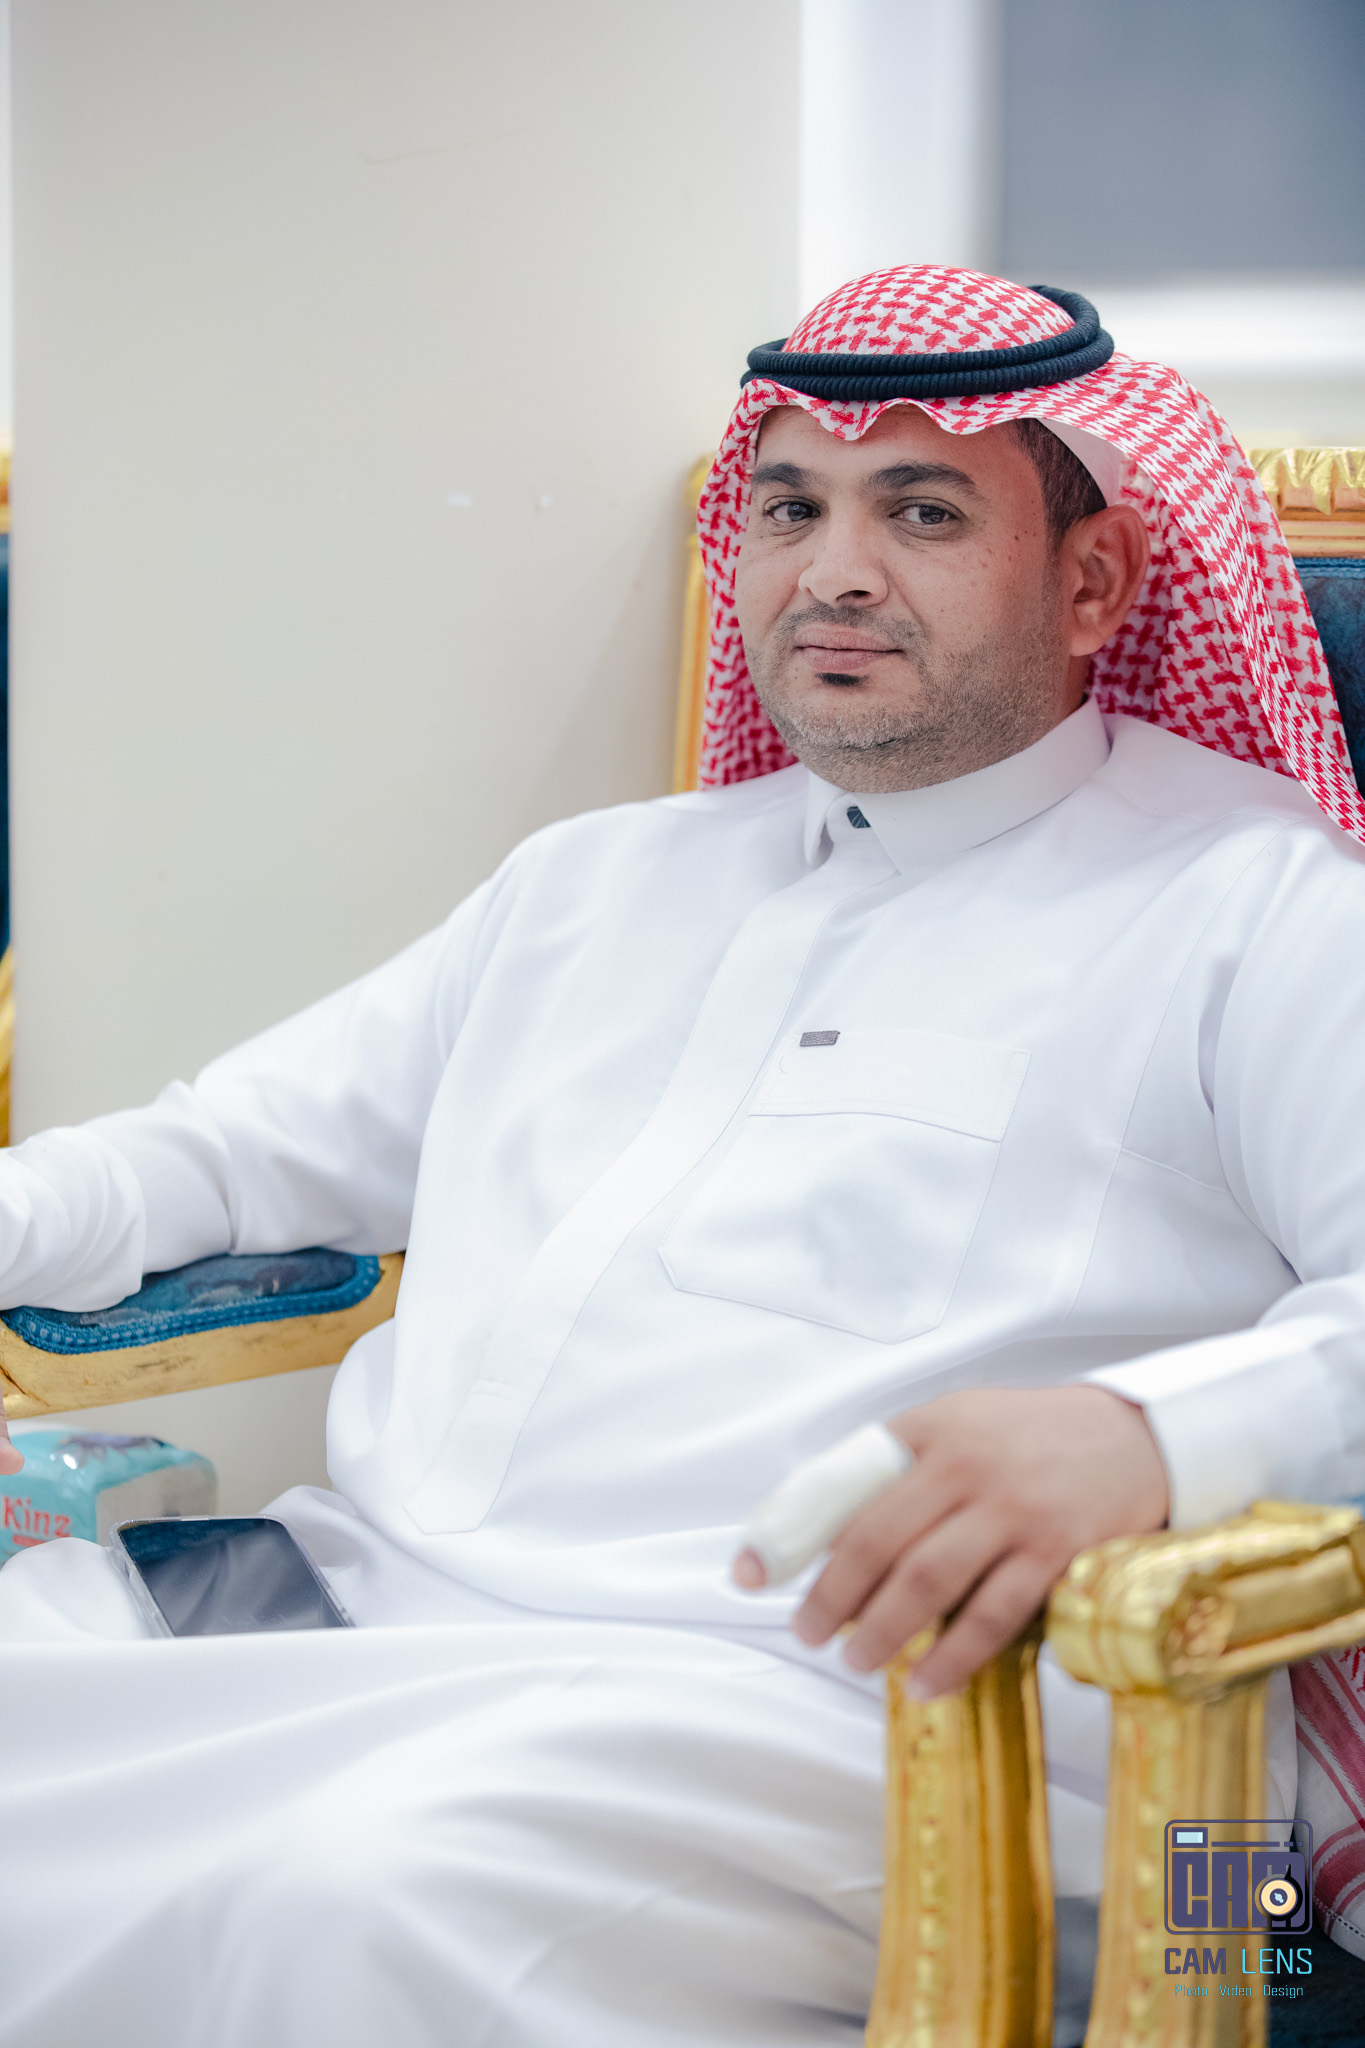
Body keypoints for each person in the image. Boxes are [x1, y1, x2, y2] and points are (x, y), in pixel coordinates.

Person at [1, 264, 1362, 2047]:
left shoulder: (1256, 907)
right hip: (362, 1616)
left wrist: (1141, 1438)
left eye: (921, 512)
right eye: (790, 509)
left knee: (358, 1894)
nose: (832, 571)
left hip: (850, 1715)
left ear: (1095, 581)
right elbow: (228, 1156)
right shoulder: (593, 884)